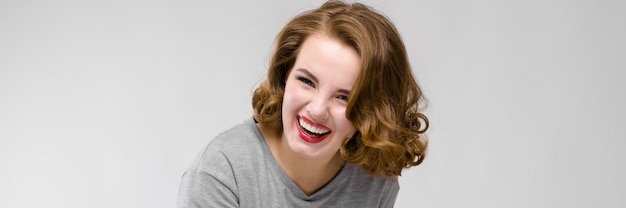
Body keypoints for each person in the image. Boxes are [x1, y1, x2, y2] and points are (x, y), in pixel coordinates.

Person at [177, 1, 429, 207]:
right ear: (285, 76)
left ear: (372, 112)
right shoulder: (221, 171)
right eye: (307, 81)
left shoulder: (375, 179)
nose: (317, 109)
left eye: (344, 97)